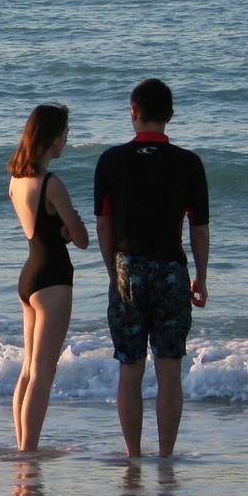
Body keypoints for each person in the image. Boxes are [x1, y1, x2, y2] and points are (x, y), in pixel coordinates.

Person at [94, 79, 210, 458]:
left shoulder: (111, 161)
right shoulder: (189, 163)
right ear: (170, 115)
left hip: (127, 267)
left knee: (130, 369)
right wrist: (201, 277)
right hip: (171, 270)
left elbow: (104, 226)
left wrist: (114, 271)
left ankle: (133, 456)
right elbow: (198, 228)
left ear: (133, 111)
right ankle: (165, 458)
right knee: (169, 370)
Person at [8, 103, 89, 451]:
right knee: (43, 372)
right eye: (65, 134)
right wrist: (73, 228)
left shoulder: (17, 181)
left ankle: (22, 447)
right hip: (54, 277)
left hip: (29, 275)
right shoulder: (52, 184)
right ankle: (29, 453)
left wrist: (62, 231)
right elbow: (82, 239)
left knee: (28, 370)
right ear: (54, 139)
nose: (67, 140)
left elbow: (42, 229)